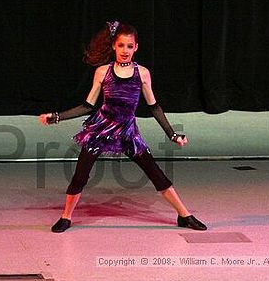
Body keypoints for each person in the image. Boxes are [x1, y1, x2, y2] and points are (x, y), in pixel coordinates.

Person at [39, 21, 206, 232]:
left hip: (128, 132)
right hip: (100, 130)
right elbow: (87, 105)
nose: (125, 51)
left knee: (155, 173)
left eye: (129, 46)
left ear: (136, 47)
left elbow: (154, 107)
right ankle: (66, 216)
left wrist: (173, 135)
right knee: (80, 176)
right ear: (113, 47)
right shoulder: (103, 72)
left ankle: (185, 215)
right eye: (121, 46)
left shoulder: (142, 73)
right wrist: (56, 117)